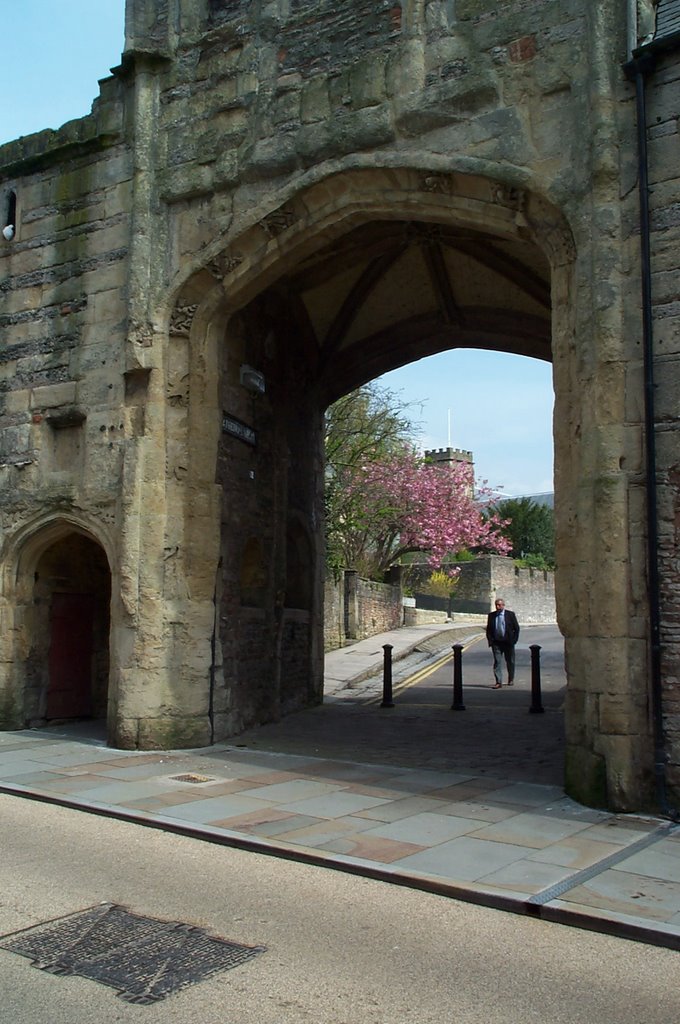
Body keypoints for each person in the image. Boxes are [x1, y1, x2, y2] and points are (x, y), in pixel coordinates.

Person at [486, 598, 520, 688]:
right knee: (497, 662)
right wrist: (491, 641)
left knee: (510, 661)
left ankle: (511, 678)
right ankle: (498, 682)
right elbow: (489, 629)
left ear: (503, 605)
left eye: (499, 605)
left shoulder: (510, 615)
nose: (498, 607)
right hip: (496, 643)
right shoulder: (491, 616)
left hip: (508, 642)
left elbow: (516, 628)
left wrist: (514, 640)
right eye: (496, 605)